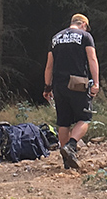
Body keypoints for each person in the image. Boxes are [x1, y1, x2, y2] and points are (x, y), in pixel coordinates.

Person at [43, 13, 100, 170]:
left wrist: (47, 87)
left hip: (58, 86)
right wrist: (95, 82)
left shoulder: (55, 39)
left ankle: (66, 161)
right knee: (85, 118)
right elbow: (92, 59)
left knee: (63, 122)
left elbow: (49, 66)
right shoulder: (85, 36)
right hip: (78, 83)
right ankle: (71, 145)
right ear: (82, 24)